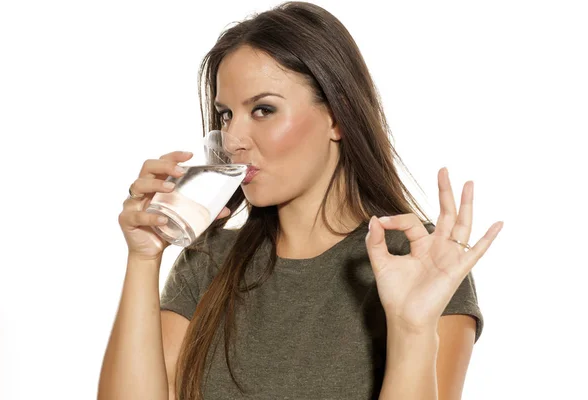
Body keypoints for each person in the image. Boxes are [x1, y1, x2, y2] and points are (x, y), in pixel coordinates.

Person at [97, 2, 503, 400]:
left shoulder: (418, 262)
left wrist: (412, 329)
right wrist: (144, 258)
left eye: (263, 109)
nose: (234, 140)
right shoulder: (209, 261)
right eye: (225, 115)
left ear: (337, 118)